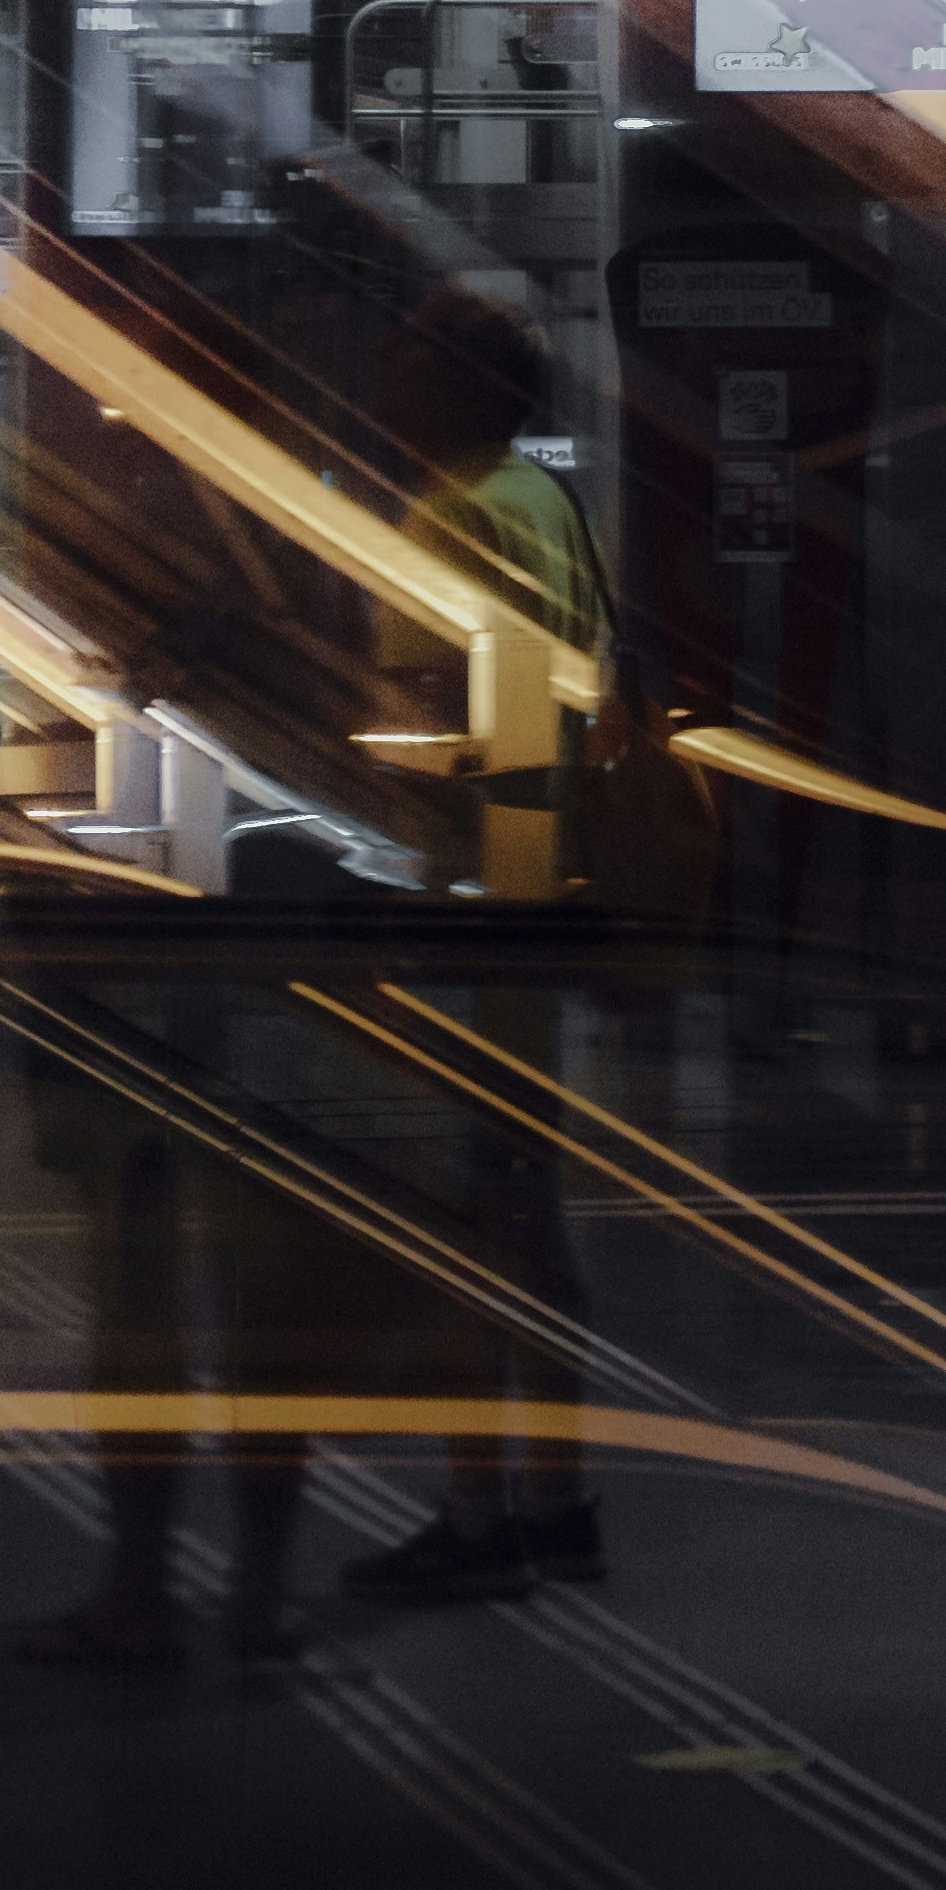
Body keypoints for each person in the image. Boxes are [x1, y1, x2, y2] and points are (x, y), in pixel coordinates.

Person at [337, 281, 618, 1608]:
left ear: (463, 384)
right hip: (528, 890)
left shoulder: (467, 510)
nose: (383, 376)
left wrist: (387, 769)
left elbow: (467, 710)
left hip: (478, 893)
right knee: (525, 1214)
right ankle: (554, 1503)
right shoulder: (541, 498)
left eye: (405, 354)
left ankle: (477, 1512)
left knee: (471, 1214)